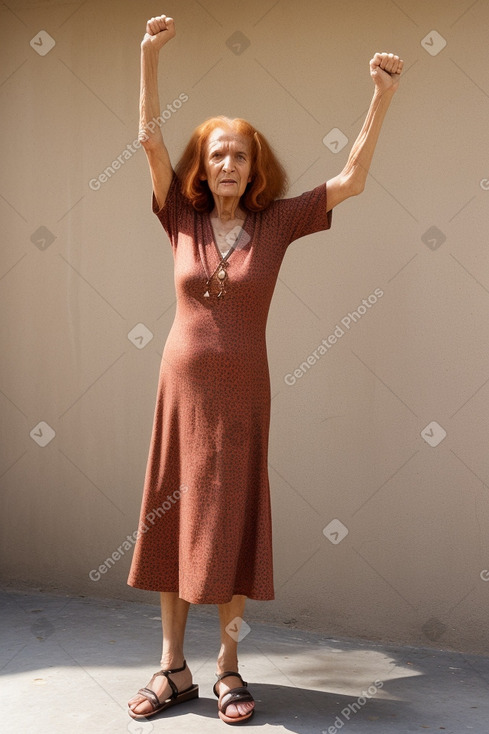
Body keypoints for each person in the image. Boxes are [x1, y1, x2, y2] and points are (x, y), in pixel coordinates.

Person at [127, 13, 403, 725]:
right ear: (203, 164)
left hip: (244, 395)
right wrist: (147, 56)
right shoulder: (178, 218)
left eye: (239, 157)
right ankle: (171, 666)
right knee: (174, 511)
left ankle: (225, 670)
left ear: (255, 169)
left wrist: (380, 95)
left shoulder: (276, 223)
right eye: (217, 154)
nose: (226, 165)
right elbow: (149, 140)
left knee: (232, 518)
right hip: (179, 391)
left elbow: (351, 179)